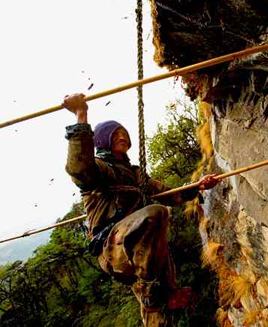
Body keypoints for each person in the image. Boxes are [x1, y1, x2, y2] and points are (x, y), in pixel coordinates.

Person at [63, 93, 219, 326]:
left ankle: (155, 296)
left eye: (125, 134)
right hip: (112, 247)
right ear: (103, 140)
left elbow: (170, 194)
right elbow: (80, 167)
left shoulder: (137, 175)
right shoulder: (100, 170)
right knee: (156, 213)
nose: (123, 136)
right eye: (116, 134)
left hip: (138, 252)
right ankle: (149, 287)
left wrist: (199, 185)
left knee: (157, 314)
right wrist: (81, 115)